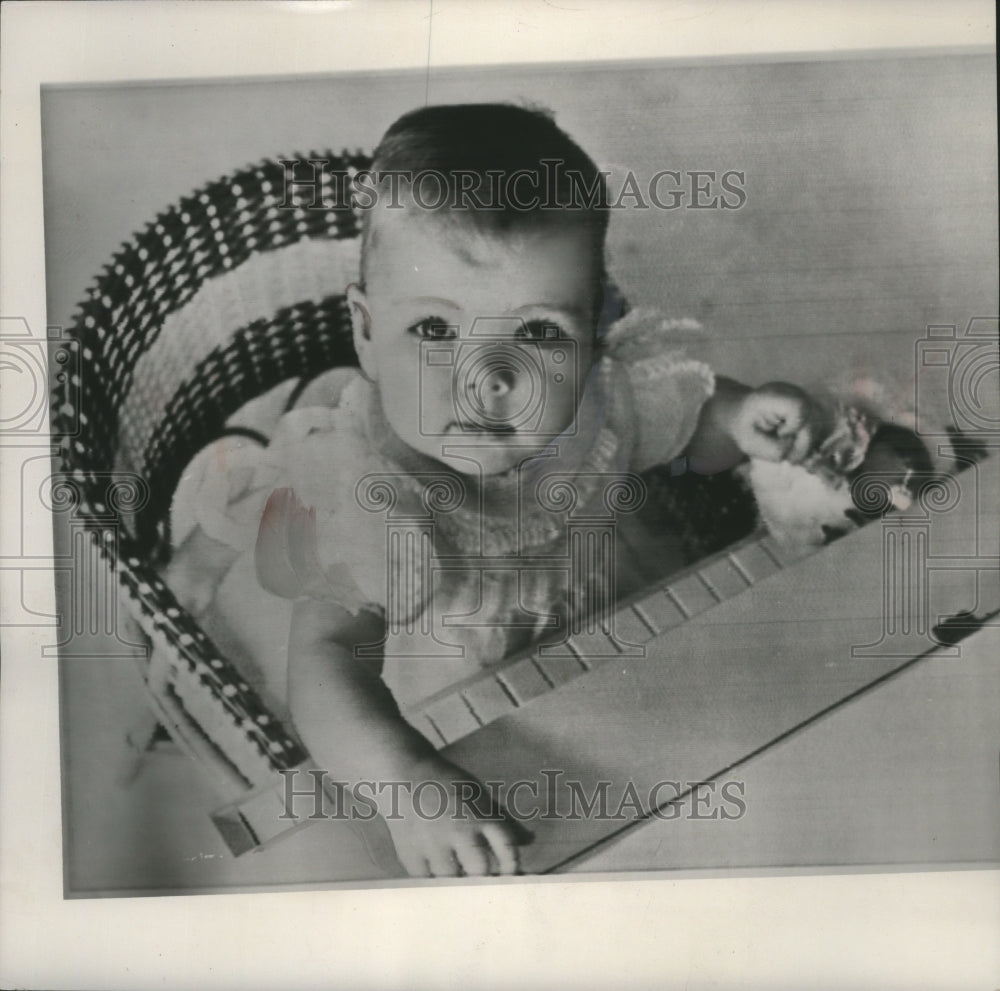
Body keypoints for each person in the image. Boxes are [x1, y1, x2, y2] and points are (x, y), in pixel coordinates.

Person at [165, 103, 829, 877]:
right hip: (426, 665)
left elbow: (688, 424)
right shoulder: (371, 503)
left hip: (556, 612)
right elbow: (328, 661)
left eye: (539, 332)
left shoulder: (603, 401)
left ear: (595, 331)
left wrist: (744, 417)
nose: (486, 381)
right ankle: (202, 558)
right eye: (437, 331)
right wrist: (406, 782)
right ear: (366, 332)